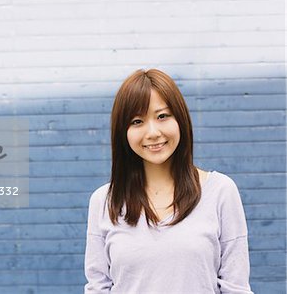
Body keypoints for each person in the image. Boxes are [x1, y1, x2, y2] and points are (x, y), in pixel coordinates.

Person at [84, 69, 253, 293]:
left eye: (162, 116)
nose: (153, 132)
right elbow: (98, 288)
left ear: (180, 119)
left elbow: (236, 287)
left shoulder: (220, 191)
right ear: (122, 132)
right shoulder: (104, 201)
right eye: (137, 121)